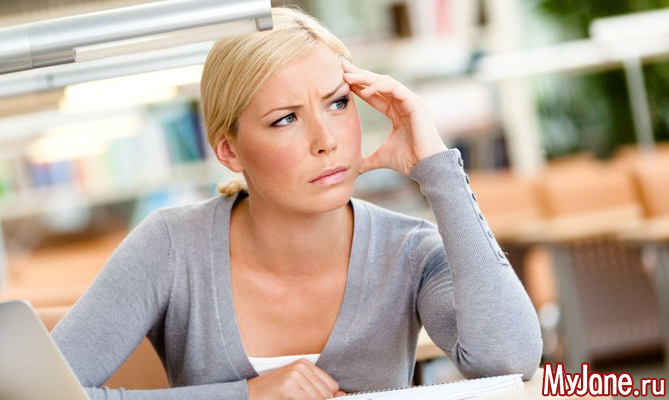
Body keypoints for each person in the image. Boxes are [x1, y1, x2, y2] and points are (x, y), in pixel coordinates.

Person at [52, 6, 542, 400]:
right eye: (285, 118)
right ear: (229, 151)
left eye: (338, 103)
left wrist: (438, 169)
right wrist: (246, 395)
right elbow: (38, 393)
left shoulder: (409, 250)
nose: (326, 141)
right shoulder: (171, 247)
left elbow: (509, 361)